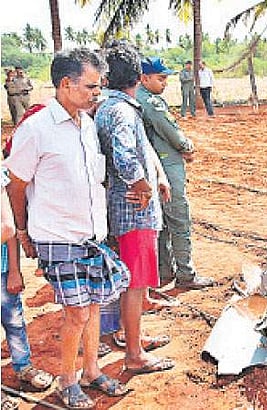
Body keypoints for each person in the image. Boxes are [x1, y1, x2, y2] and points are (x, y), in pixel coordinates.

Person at [5, 48, 130, 409]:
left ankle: (91, 371)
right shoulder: (36, 129)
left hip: (91, 236)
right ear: (65, 84)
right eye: (91, 86)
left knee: (93, 307)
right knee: (76, 313)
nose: (97, 93)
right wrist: (23, 232)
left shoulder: (87, 125)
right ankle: (67, 380)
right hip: (57, 238)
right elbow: (15, 185)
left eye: (99, 86)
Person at [95, 42, 175, 376]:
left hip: (120, 208)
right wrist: (142, 184)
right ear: (139, 76)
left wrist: (152, 178)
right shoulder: (123, 111)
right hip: (135, 212)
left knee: (131, 282)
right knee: (135, 283)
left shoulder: (108, 106)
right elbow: (125, 157)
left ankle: (133, 338)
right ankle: (134, 354)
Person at [137, 57, 216, 289]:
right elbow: (171, 132)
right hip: (166, 166)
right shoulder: (151, 102)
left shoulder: (138, 98)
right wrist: (187, 147)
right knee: (179, 220)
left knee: (161, 222)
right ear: (144, 78)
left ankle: (165, 270)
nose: (165, 83)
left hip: (153, 166)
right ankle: (186, 274)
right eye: (161, 78)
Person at [1, 164, 54, 408]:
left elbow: (9, 229)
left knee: (14, 321)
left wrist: (14, 270)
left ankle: (23, 367)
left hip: (2, 269)